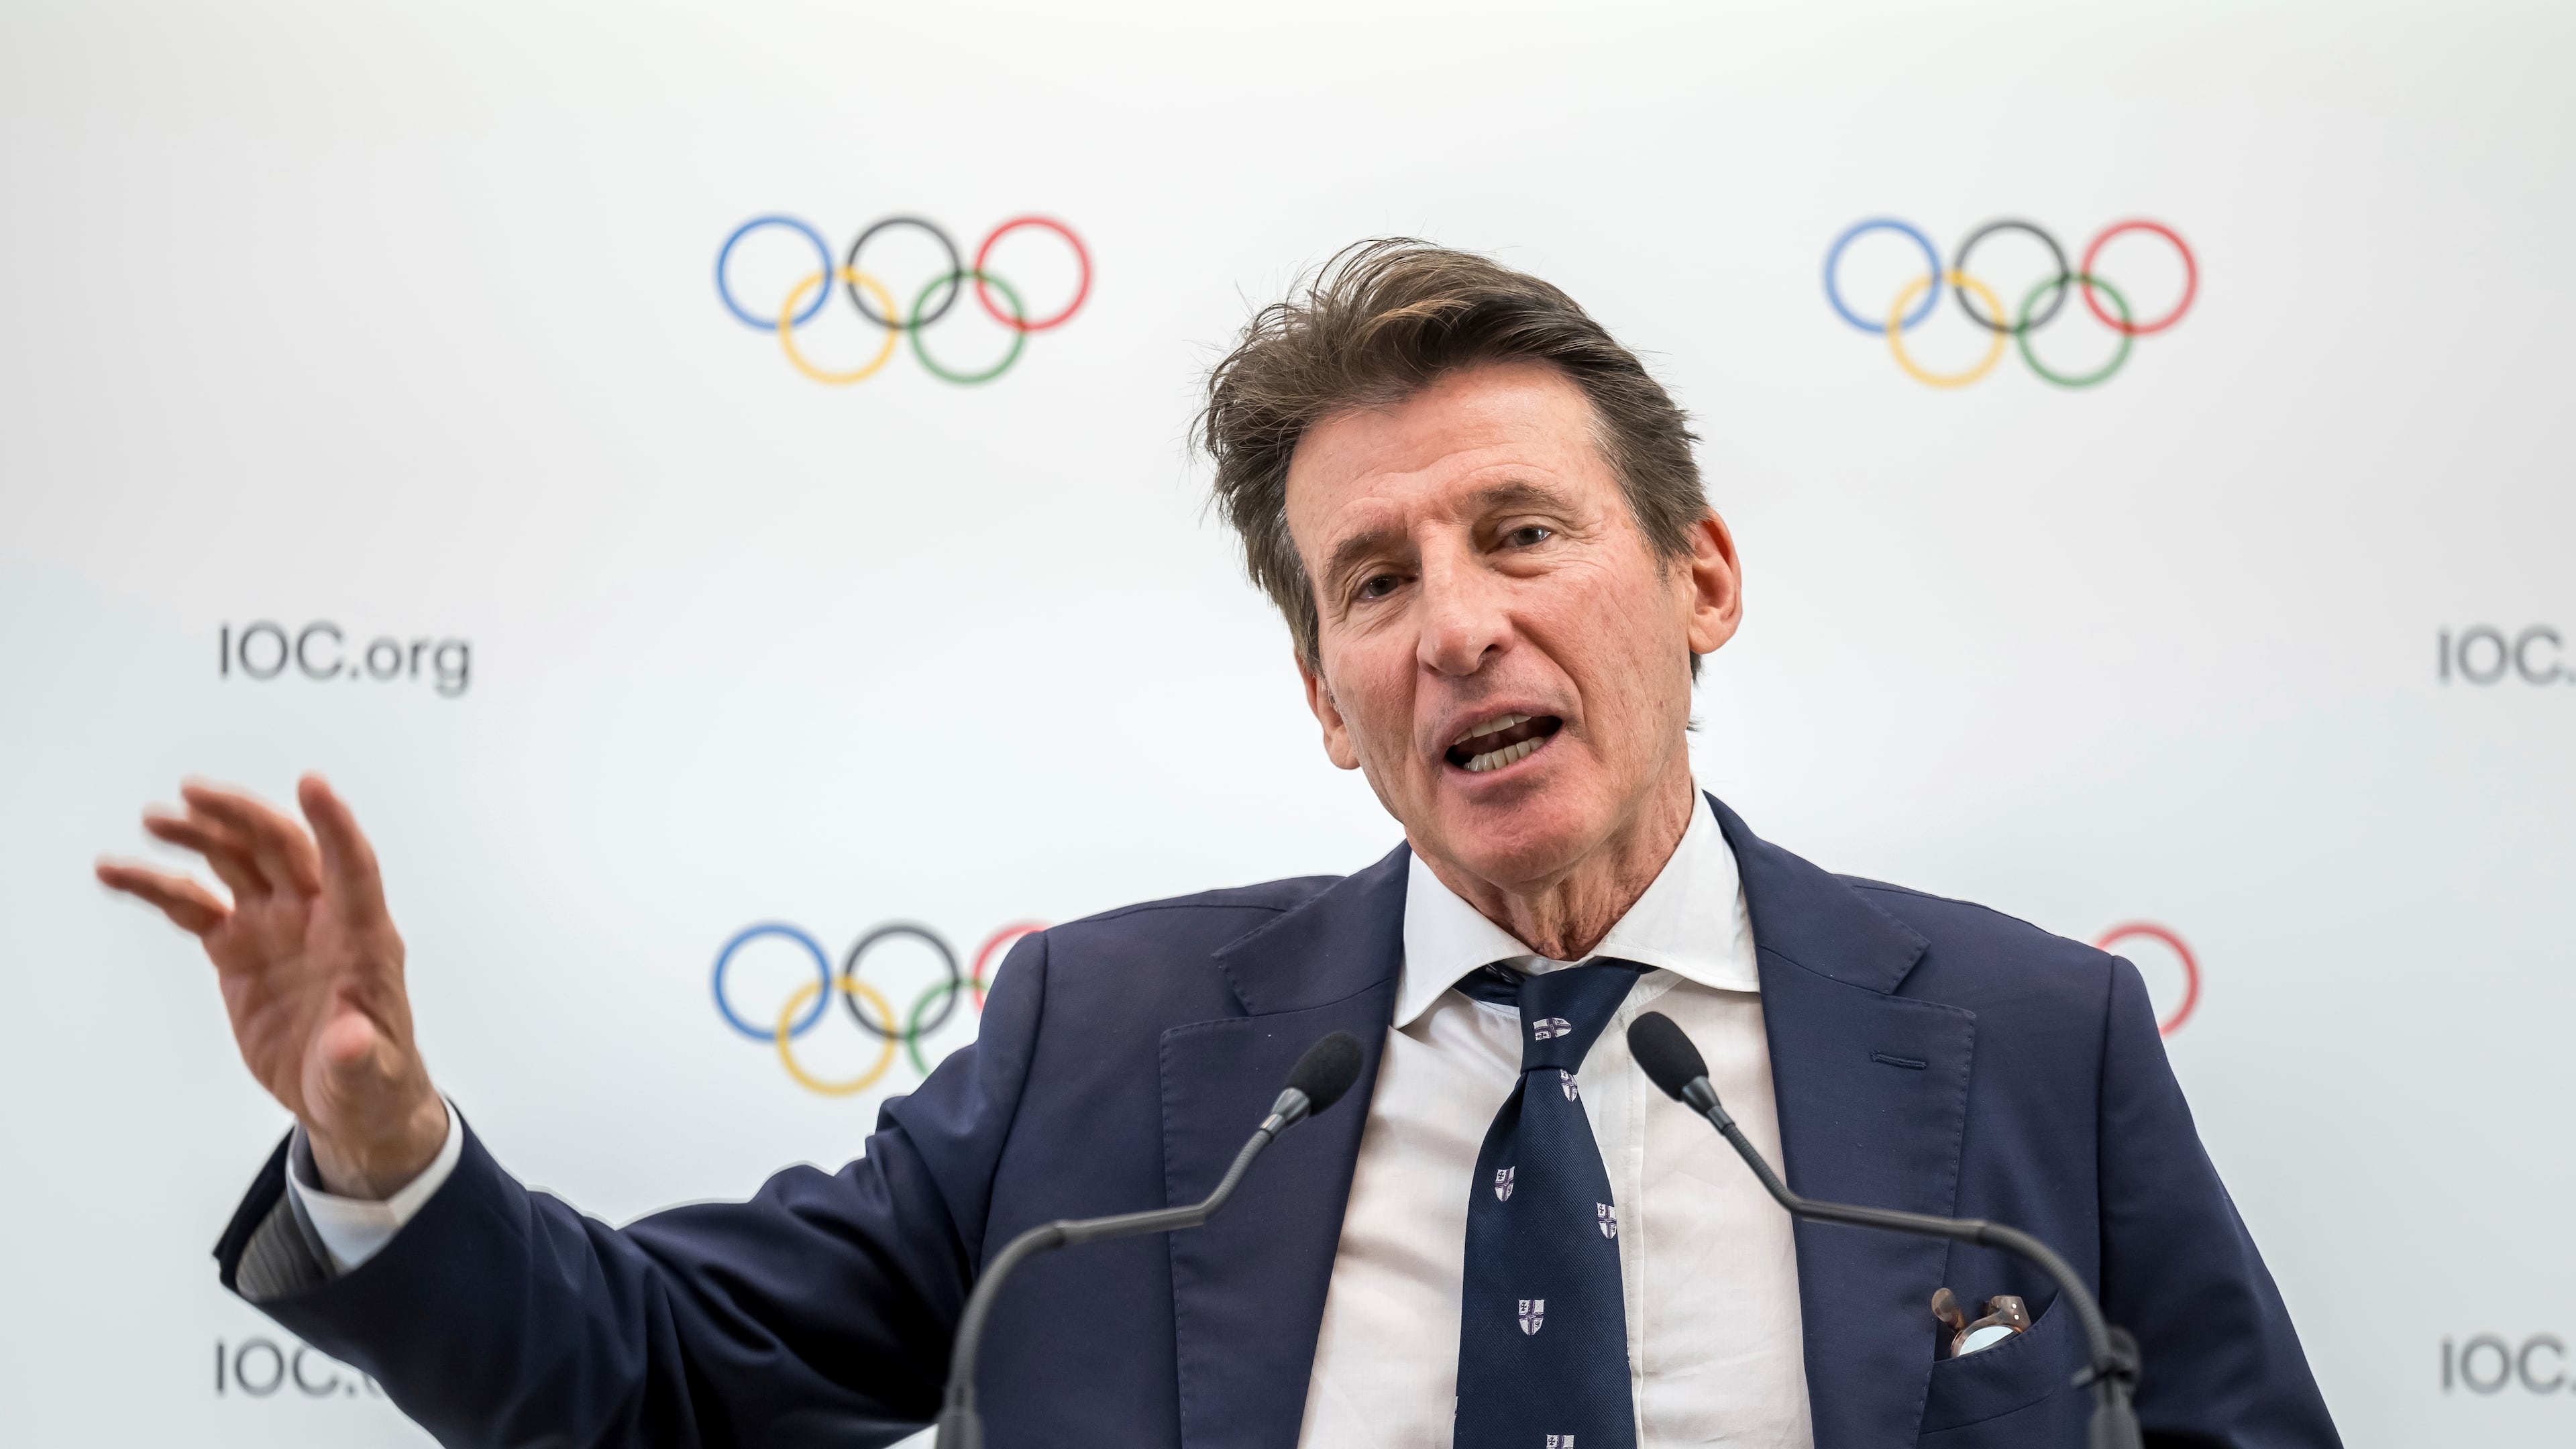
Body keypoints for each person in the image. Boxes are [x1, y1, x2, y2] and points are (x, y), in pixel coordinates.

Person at [99, 241, 2339, 1448]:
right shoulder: (1116, 1044)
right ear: (1324, 697)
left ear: (1702, 581)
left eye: (1526, 536)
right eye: (1374, 583)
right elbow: (660, 1382)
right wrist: (387, 1158)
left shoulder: (2036, 1038)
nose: (1456, 624)